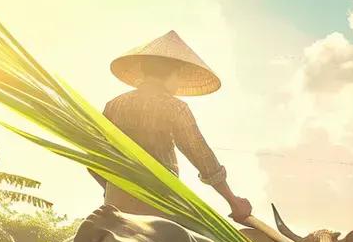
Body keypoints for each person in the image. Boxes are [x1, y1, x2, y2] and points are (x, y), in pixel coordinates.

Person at [90, 30, 251, 222]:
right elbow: (204, 159)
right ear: (175, 73)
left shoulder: (114, 105)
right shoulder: (175, 108)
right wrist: (233, 201)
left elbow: (93, 160)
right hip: (162, 205)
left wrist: (114, 189)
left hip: (114, 204)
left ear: (143, 70)